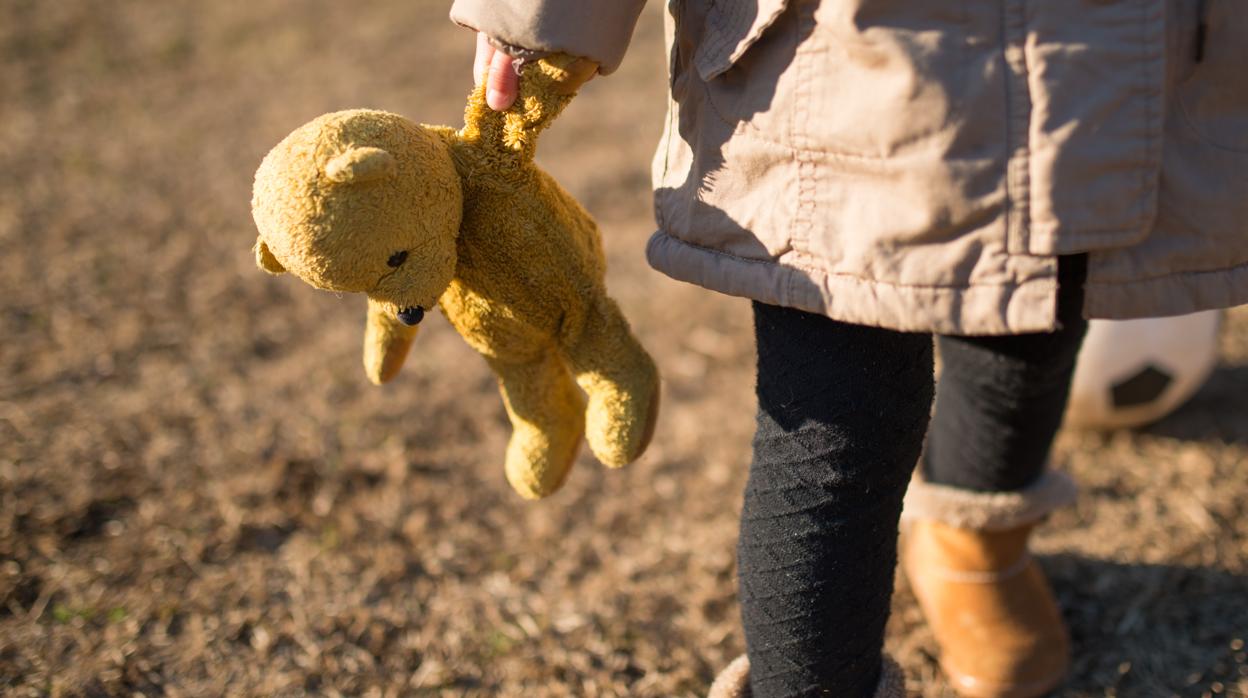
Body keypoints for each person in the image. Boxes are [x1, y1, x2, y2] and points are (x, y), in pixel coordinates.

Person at [451, 1, 1248, 696]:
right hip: (842, 54)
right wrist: (538, 17)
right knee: (840, 411)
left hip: (1102, 48)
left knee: (1034, 307)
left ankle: (975, 545)